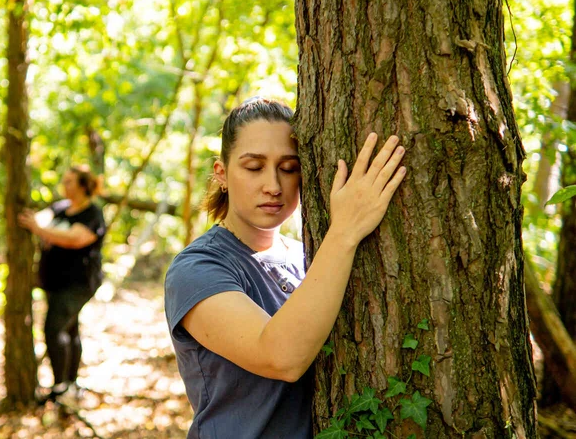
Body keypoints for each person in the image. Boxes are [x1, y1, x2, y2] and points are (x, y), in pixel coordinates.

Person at [164, 97, 406, 438]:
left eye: (289, 168)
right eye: (253, 167)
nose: (273, 186)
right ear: (222, 174)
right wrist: (345, 230)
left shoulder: (308, 256)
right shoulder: (196, 269)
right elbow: (281, 357)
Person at [18, 165, 106, 403]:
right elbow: (41, 218)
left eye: (69, 182)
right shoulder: (60, 208)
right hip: (55, 282)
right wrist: (37, 224)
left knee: (54, 328)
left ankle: (60, 387)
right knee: (69, 328)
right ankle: (70, 384)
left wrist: (40, 230)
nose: (64, 186)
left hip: (78, 283)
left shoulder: (92, 214)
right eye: (64, 181)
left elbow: (75, 239)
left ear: (82, 186)